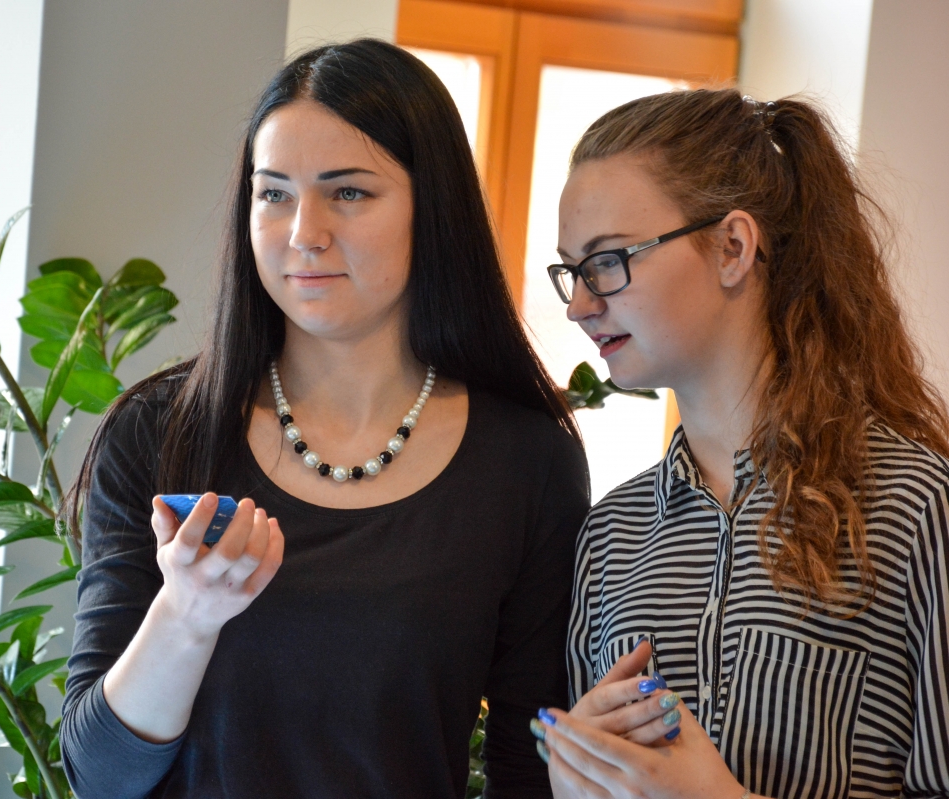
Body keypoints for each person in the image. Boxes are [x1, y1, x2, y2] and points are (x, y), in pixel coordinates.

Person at [59, 39, 590, 798]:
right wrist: (185, 614)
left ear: (434, 209)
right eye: (273, 194)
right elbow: (99, 776)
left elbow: (526, 771)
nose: (303, 232)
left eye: (348, 193)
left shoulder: (526, 463)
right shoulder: (157, 431)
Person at [527, 88, 949, 799]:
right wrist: (577, 781)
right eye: (573, 270)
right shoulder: (610, 535)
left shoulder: (916, 507)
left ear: (732, 247)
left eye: (607, 261)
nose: (579, 305)